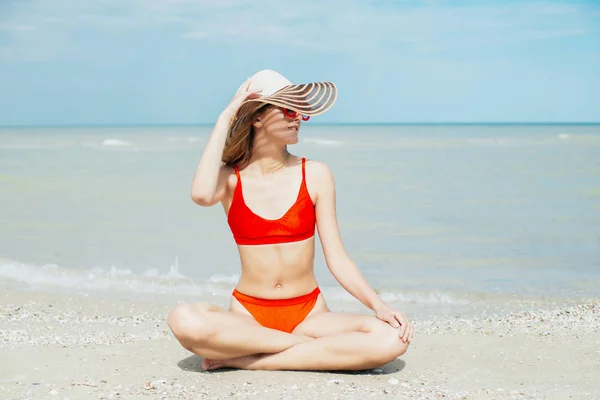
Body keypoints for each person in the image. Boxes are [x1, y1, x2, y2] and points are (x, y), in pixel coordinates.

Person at [167, 70, 414, 372]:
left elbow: (337, 259)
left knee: (391, 338)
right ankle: (316, 353)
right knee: (183, 319)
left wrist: (380, 306)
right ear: (256, 118)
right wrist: (226, 117)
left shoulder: (316, 174)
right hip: (248, 316)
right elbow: (201, 195)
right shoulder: (230, 179)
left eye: (301, 112)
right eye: (288, 110)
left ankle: (249, 361)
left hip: (310, 315)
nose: (297, 118)